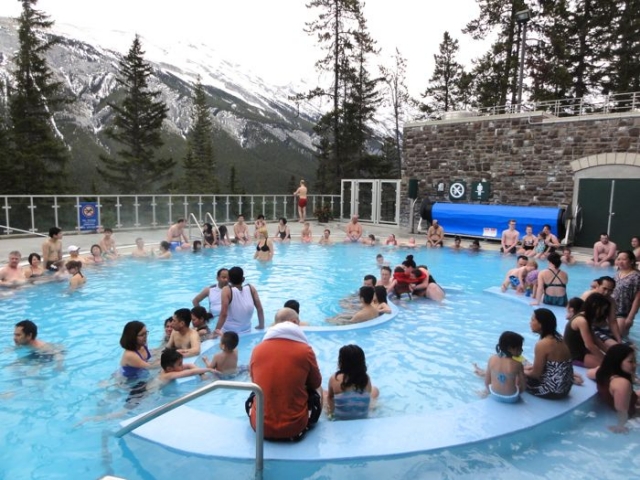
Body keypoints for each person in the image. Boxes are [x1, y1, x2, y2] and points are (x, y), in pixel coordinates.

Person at [247, 307, 322, 441]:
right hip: (294, 427)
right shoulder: (305, 351)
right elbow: (316, 383)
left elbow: (255, 382)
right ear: (294, 322)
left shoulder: (257, 350)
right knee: (319, 390)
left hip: (260, 426)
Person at [524, 309, 575, 399]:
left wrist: (520, 371)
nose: (530, 322)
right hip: (565, 388)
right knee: (526, 365)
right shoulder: (559, 338)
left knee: (513, 373)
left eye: (532, 320)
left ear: (541, 324)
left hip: (551, 391)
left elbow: (536, 374)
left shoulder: (543, 344)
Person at [593, 344, 640, 433]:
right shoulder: (622, 384)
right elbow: (622, 411)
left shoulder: (601, 372)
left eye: (635, 361)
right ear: (618, 361)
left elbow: (589, 373)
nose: (635, 365)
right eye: (630, 361)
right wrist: (621, 426)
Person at [326, 344, 379, 419]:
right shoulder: (366, 378)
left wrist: (330, 415)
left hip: (341, 417)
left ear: (342, 362)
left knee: (325, 394)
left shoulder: (335, 378)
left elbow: (330, 398)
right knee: (375, 390)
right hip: (362, 416)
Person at [474, 331, 526, 403]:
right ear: (510, 348)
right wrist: (517, 392)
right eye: (519, 348)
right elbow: (523, 386)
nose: (522, 350)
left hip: (494, 395)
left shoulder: (492, 359)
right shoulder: (517, 364)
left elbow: (487, 382)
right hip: (512, 398)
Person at [215, 266, 265, 334]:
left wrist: (216, 331)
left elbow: (223, 314)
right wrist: (261, 325)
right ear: (243, 279)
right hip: (247, 330)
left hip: (229, 332)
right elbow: (260, 309)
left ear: (229, 279)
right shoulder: (250, 288)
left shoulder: (227, 290)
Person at [563, 293, 608, 367]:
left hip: (581, 351)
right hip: (574, 355)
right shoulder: (581, 320)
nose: (603, 313)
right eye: (602, 309)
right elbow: (590, 345)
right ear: (594, 306)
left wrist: (610, 353)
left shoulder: (586, 317)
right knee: (608, 367)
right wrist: (607, 360)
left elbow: (596, 340)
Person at [581, 276, 622, 347]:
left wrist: (619, 339)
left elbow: (612, 322)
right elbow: (578, 314)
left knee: (630, 347)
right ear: (598, 286)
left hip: (602, 328)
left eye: (610, 290)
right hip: (589, 328)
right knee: (614, 346)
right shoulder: (588, 296)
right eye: (604, 288)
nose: (606, 292)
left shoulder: (611, 301)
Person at [611, 251, 640, 337]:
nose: (620, 261)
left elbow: (638, 299)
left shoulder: (636, 277)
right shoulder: (617, 274)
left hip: (623, 313)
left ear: (631, 261)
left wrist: (630, 318)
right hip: (612, 310)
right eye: (618, 259)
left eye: (624, 259)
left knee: (620, 338)